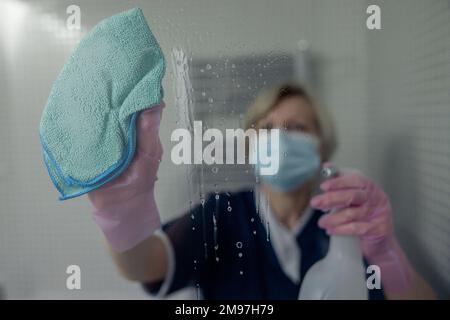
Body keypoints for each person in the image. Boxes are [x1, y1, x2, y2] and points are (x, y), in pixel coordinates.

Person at [88, 83, 436, 299]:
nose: (278, 138)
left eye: (295, 127)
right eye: (266, 127)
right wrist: (120, 210)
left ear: (323, 148)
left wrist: (388, 256)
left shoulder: (349, 223)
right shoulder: (221, 215)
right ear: (250, 145)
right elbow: (145, 264)